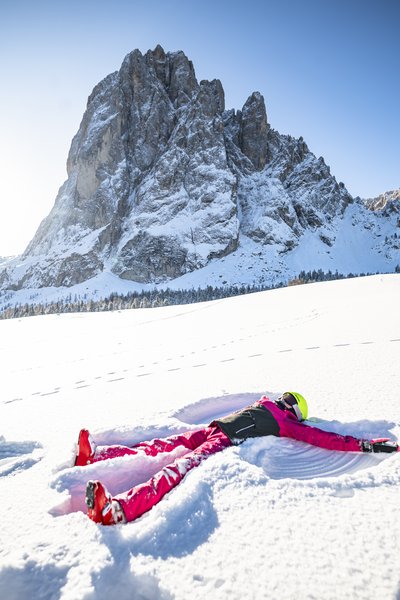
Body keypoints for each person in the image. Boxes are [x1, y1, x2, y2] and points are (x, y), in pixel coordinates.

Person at [74, 392, 399, 526]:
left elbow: (324, 438)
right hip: (213, 430)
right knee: (159, 445)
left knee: (176, 469)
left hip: (225, 439)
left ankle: (117, 509)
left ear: (296, 413)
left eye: (290, 402)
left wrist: (366, 445)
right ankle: (97, 456)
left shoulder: (287, 424)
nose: (284, 401)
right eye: (286, 396)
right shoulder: (265, 404)